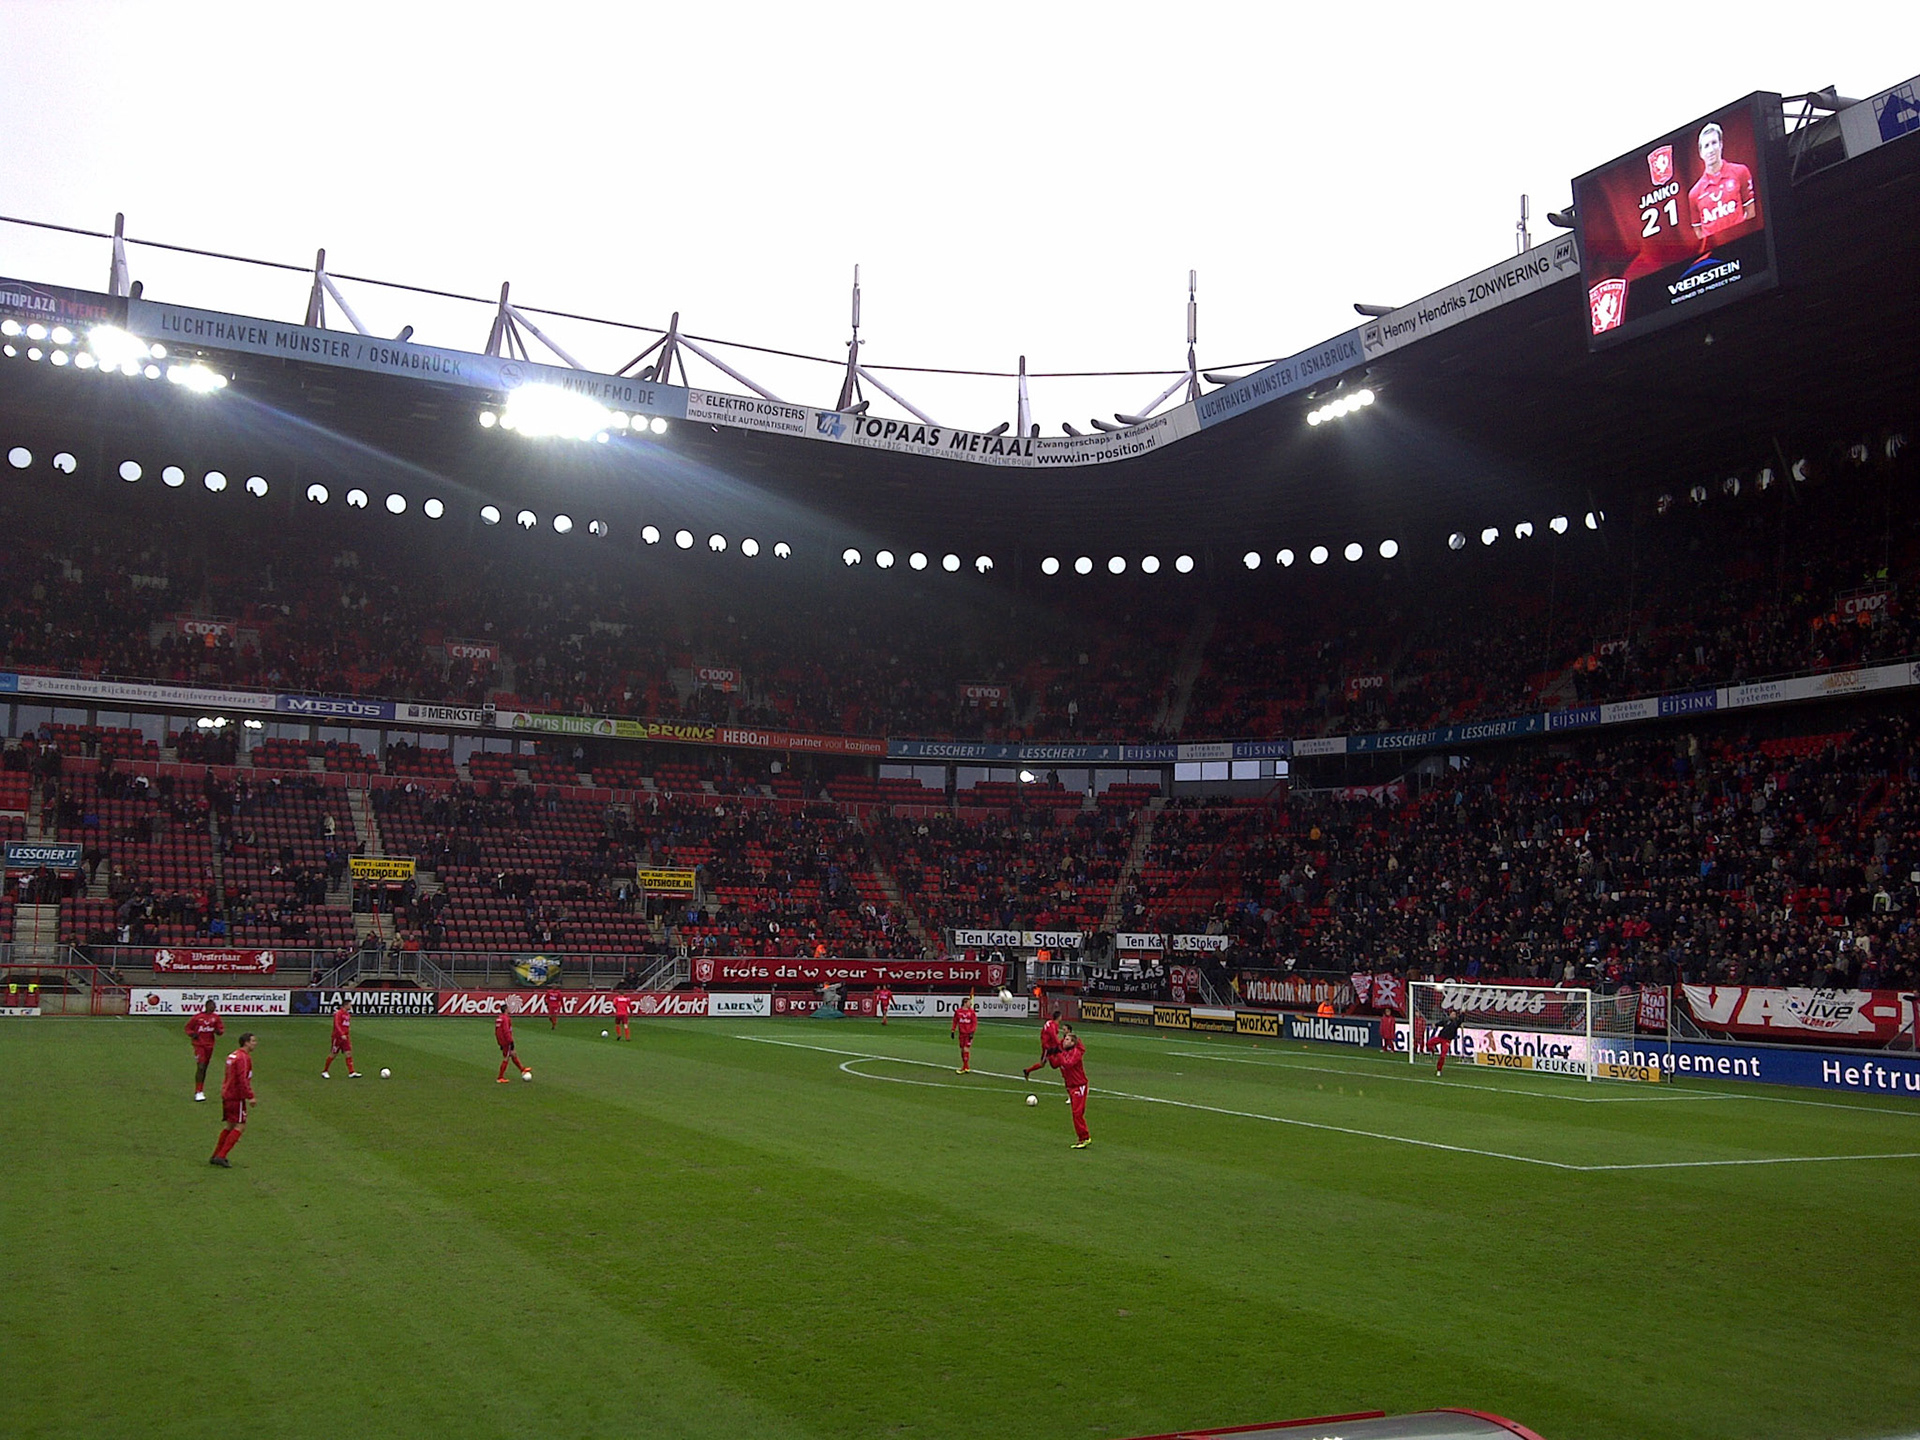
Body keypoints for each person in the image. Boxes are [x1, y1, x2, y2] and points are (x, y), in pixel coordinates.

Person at [1688, 121, 1756, 244]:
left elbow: (1751, 212)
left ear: (1721, 144)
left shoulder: (1740, 171)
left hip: (1743, 243)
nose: (1711, 150)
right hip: (1716, 251)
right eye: (1706, 146)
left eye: (1714, 143)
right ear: (1701, 153)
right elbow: (1698, 230)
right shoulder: (1694, 193)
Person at [209, 1032, 257, 1167]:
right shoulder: (243, 1058)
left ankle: (215, 1155)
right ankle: (221, 1156)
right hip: (236, 1096)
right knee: (240, 1125)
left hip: (227, 1093)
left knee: (230, 1126)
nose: (255, 1044)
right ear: (246, 1042)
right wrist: (250, 1096)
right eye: (253, 1041)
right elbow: (242, 1079)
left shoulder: (233, 1055)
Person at [1050, 1023, 1092, 1148]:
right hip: (1071, 1086)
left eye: (1068, 1039)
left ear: (1073, 1043)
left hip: (1079, 1085)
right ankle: (1082, 1138)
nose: (1064, 1041)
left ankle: (1084, 1138)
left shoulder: (1075, 1052)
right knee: (1076, 1113)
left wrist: (1059, 1053)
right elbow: (1055, 1065)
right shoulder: (1065, 1053)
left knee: (1077, 1113)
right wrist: (1051, 1055)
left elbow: (1068, 1064)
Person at [185, 998, 224, 1101]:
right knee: (201, 1066)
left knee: (205, 1067)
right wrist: (192, 1034)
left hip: (210, 1046)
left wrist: (218, 1031)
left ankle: (201, 1089)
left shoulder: (216, 1018)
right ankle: (198, 1092)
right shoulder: (198, 1017)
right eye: (211, 1006)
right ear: (206, 1006)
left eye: (214, 1006)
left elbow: (221, 1031)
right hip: (199, 1045)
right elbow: (188, 1028)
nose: (213, 1007)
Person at [322, 1001, 361, 1078]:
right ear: (345, 1005)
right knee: (333, 1054)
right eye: (350, 1005)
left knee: (348, 1053)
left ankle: (351, 1072)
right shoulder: (338, 1013)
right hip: (338, 1037)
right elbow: (337, 1024)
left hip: (345, 1037)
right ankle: (325, 1071)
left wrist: (346, 1034)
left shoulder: (348, 1014)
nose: (351, 1006)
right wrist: (341, 1034)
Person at [1023, 1006, 1063, 1078]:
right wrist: (1059, 1044)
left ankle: (1027, 1071)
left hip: (1052, 1046)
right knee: (1044, 1064)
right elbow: (1053, 1035)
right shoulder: (1052, 1025)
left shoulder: (1052, 1023)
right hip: (1048, 1047)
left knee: (1061, 1058)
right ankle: (1027, 1071)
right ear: (1059, 1017)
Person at [496, 1007, 529, 1082]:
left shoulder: (499, 1018)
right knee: (506, 1058)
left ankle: (522, 1069)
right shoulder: (505, 1019)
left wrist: (500, 1042)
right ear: (506, 1010)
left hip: (502, 1040)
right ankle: (500, 1077)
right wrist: (510, 1041)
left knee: (513, 1054)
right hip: (506, 1041)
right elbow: (506, 1031)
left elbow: (497, 1031)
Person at [950, 992, 978, 1073]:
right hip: (961, 1033)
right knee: (962, 1049)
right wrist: (953, 1030)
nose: (970, 1004)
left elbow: (974, 1022)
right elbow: (955, 1021)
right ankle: (966, 1066)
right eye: (969, 1002)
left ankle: (964, 1067)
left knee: (966, 1048)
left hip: (969, 1033)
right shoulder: (958, 1012)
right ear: (965, 1003)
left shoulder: (972, 1012)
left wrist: (972, 1032)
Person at [1432, 1007, 1464, 1076]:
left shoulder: (1456, 1022)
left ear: (1455, 1016)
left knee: (1443, 1055)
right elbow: (1441, 1023)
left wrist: (1462, 1013)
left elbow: (1461, 1019)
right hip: (1440, 1037)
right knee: (1429, 1043)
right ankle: (1432, 1050)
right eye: (1451, 1014)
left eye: (1454, 1014)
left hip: (1447, 1040)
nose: (1452, 1015)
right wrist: (1435, 1024)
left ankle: (1439, 1070)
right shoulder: (1446, 1020)